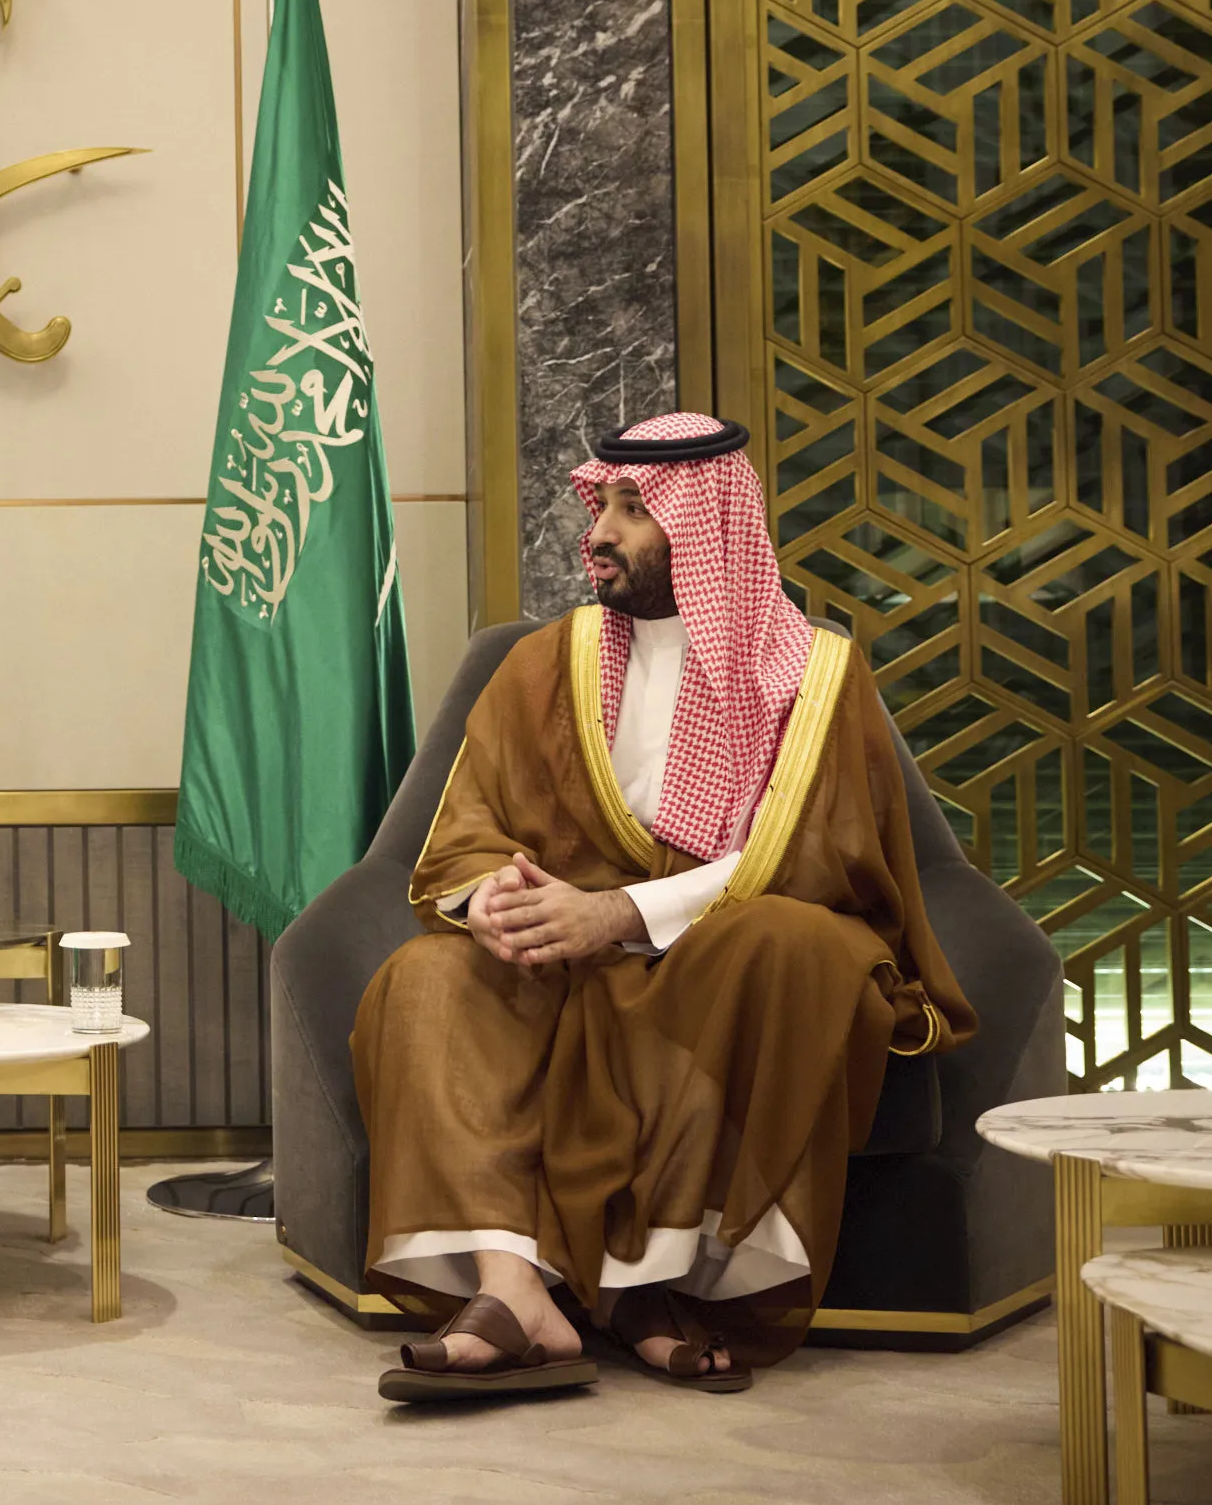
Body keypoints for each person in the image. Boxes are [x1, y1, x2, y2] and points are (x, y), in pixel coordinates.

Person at [352, 412, 975, 1401]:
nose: (600, 530)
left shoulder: (815, 679)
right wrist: (509, 902)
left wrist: (624, 916)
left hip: (719, 946)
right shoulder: (541, 665)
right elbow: (468, 834)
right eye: (604, 504)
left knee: (793, 946)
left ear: (711, 526)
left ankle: (651, 1291)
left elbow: (821, 860)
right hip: (561, 965)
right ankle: (516, 1292)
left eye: (635, 510)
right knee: (420, 977)